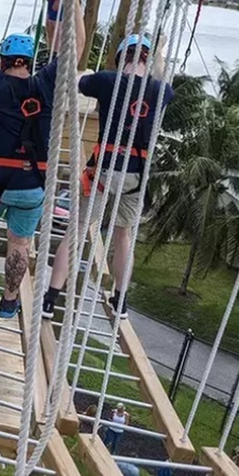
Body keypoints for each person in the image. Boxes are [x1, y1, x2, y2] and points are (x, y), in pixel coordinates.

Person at [0, 0, 86, 318]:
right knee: (20, 243)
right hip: (33, 184)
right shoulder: (47, 84)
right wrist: (74, 0)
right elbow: (75, 46)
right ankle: (8, 300)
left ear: (4, 61)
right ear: (29, 63)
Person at [42, 33, 174, 319]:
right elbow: (162, 80)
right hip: (136, 178)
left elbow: (80, 82)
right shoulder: (159, 90)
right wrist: (160, 52)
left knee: (76, 231)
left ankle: (50, 298)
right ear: (147, 61)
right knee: (123, 236)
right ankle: (121, 300)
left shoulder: (107, 81)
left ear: (120, 57)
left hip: (104, 170)